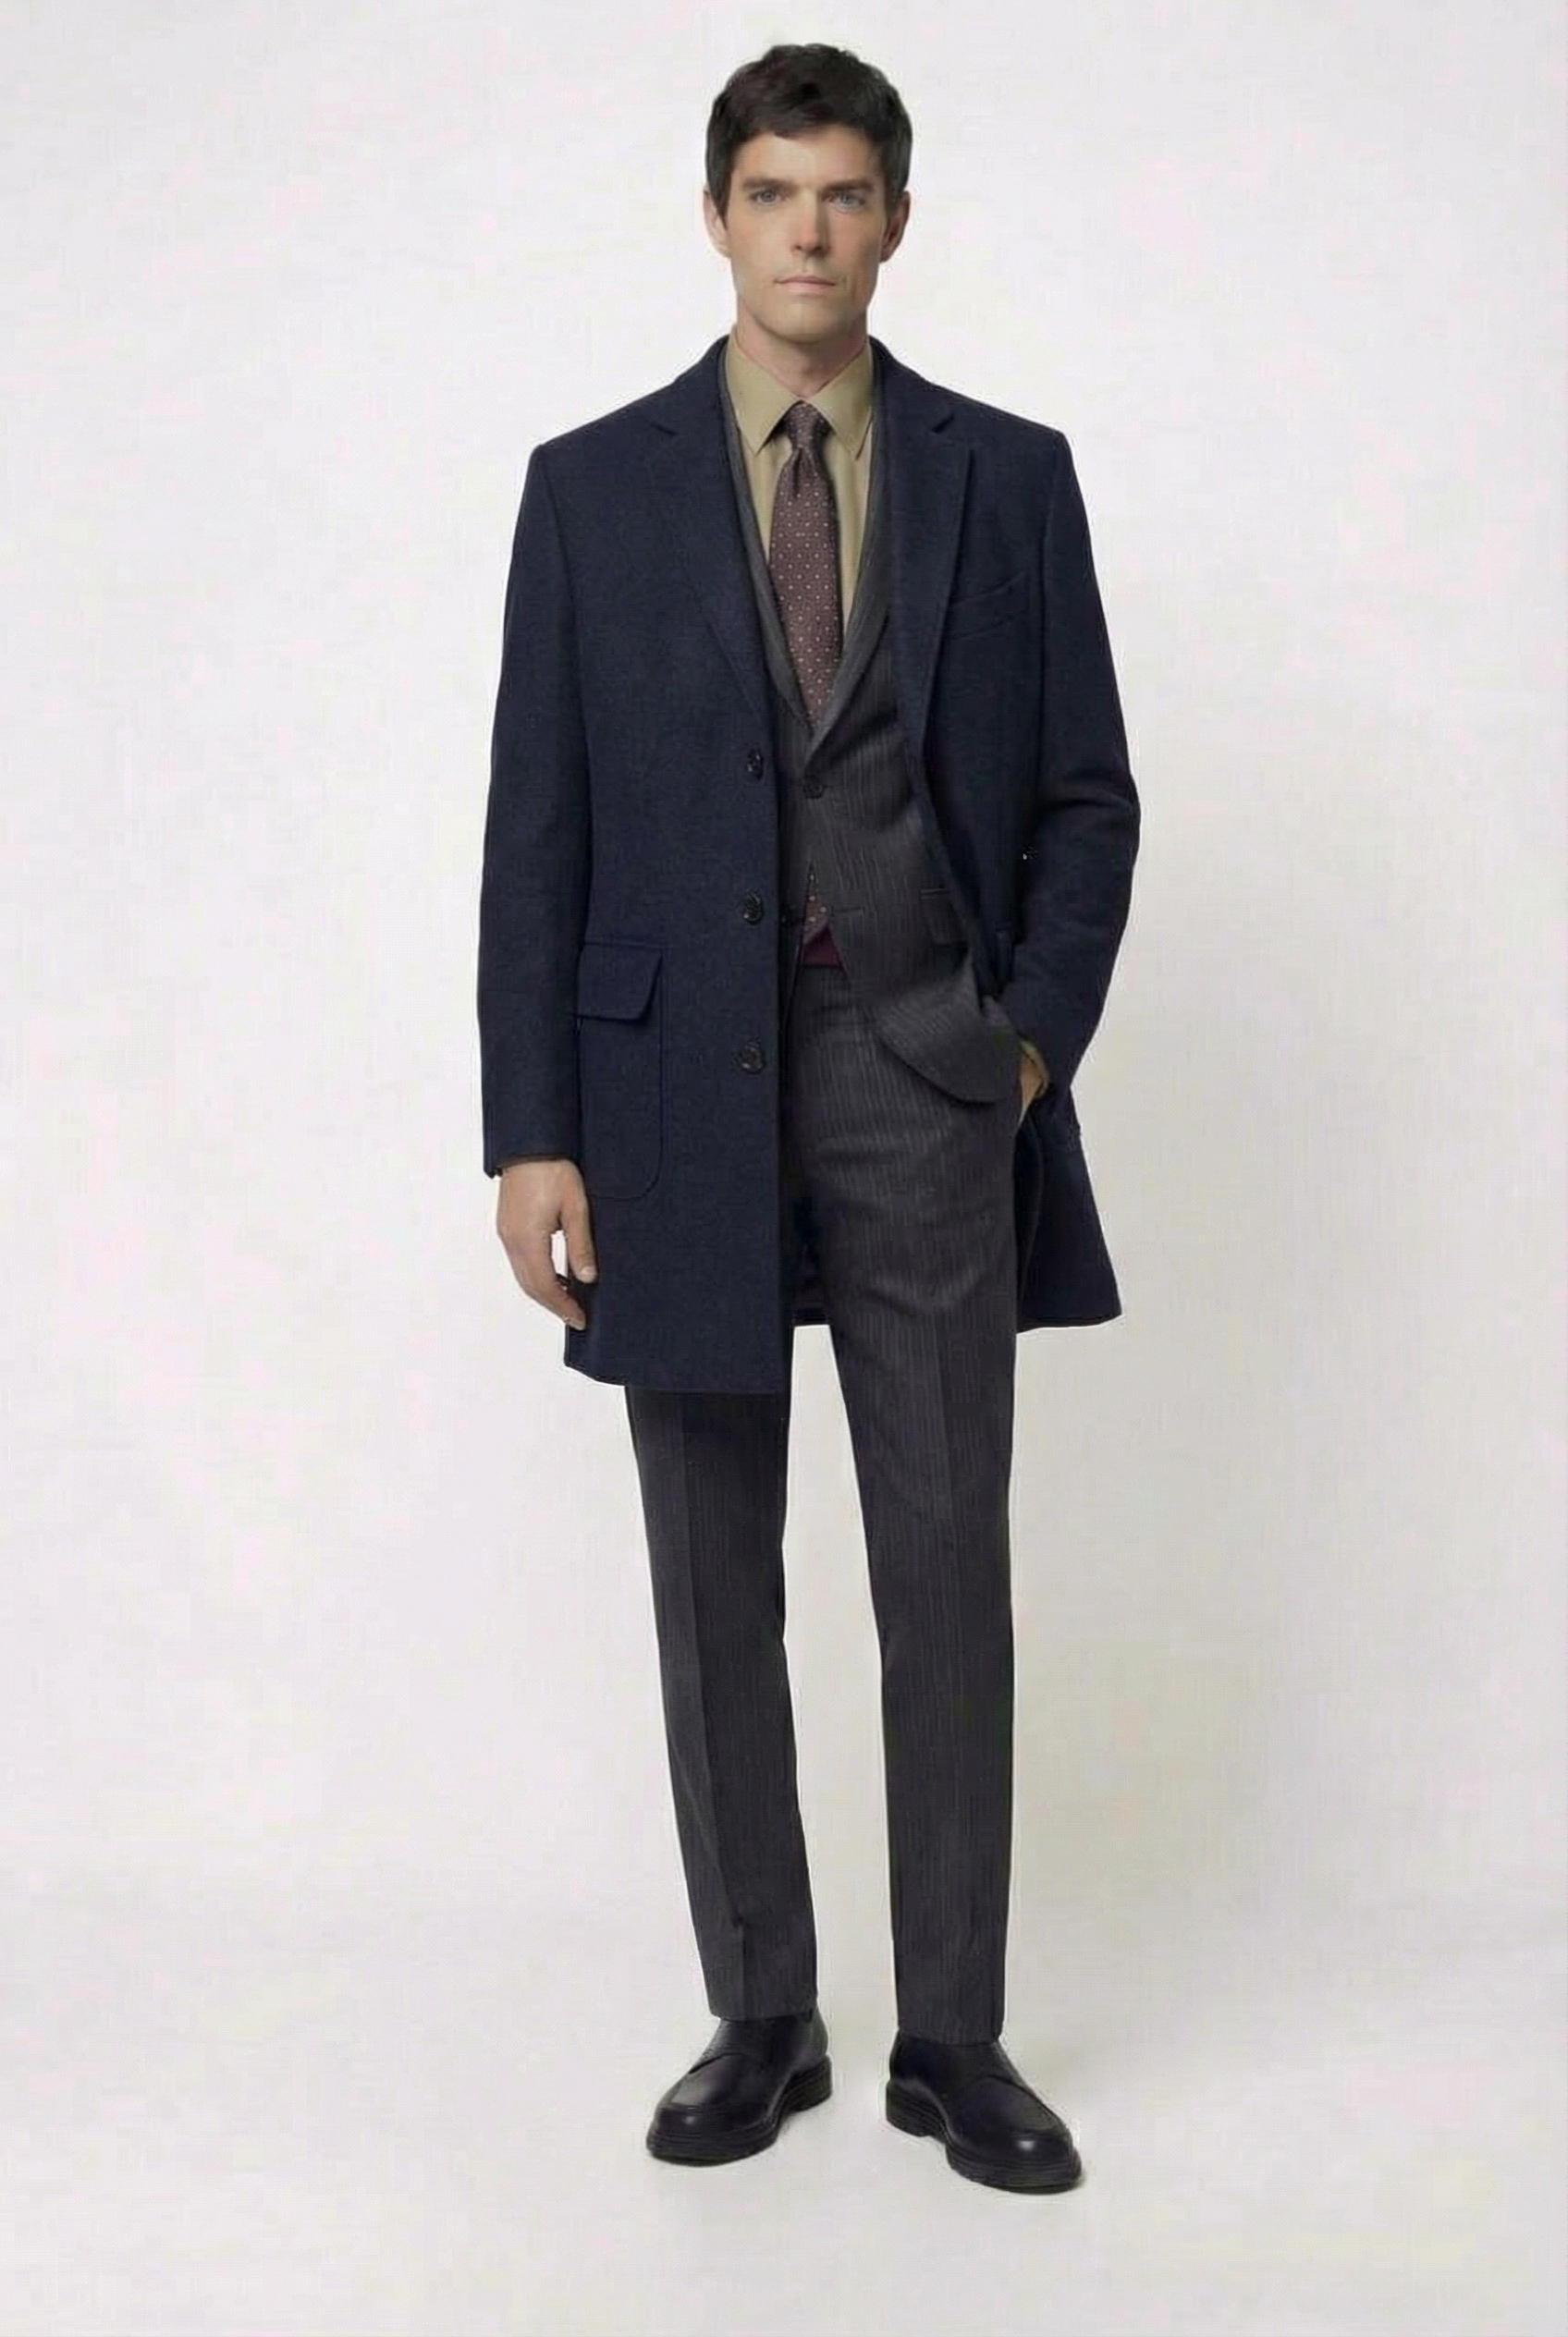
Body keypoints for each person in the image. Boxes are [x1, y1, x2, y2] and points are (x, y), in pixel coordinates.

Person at [477, 42, 1138, 2193]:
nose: (808, 230)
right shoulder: (589, 488)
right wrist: (530, 1125)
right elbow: (536, 826)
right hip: (665, 1093)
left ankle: (951, 2034)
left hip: (922, 1073)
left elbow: (1082, 798)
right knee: (709, 1575)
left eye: (844, 193)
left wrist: (1021, 1046)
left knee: (943, 1566)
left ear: (894, 223)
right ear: (716, 216)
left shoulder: (1004, 476)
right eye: (772, 192)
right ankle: (760, 2013)